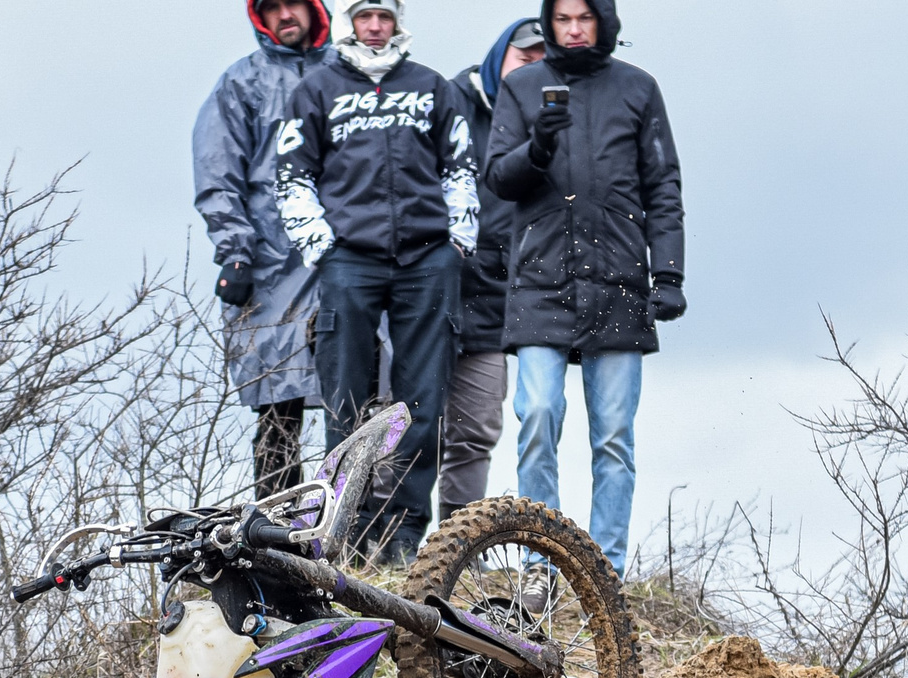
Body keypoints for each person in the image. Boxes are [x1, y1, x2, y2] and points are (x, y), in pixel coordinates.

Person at [276, 0, 477, 560]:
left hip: (427, 259)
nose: (374, 27)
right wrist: (322, 248)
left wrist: (457, 243)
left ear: (397, 22)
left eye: (384, 16)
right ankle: (345, 532)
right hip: (350, 260)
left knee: (422, 402)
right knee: (345, 399)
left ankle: (405, 534)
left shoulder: (432, 87)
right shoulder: (316, 90)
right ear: (350, 21)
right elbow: (291, 176)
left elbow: (461, 168)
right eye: (365, 16)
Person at [487, 0, 683, 572]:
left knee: (614, 438)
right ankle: (539, 567)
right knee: (538, 416)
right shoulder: (522, 87)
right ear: (549, 22)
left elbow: (663, 186)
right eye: (563, 18)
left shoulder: (639, 88)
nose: (573, 29)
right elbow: (498, 178)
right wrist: (537, 147)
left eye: (585, 17)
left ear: (604, 20)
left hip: (620, 281)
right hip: (540, 279)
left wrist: (669, 273)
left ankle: (606, 573)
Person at [195, 0, 337, 497]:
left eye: (293, 2)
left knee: (361, 401)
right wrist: (235, 251)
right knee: (278, 407)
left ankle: (361, 527)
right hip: (271, 265)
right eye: (272, 6)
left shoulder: (348, 74)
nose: (284, 14)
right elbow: (217, 173)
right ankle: (277, 525)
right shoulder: (242, 82)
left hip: (346, 255)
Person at [438, 18, 541, 516]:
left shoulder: (546, 125)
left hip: (491, 306)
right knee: (401, 429)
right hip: (425, 298)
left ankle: (454, 547)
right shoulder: (446, 101)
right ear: (501, 55)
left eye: (542, 61)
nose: (531, 69)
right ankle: (388, 546)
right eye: (524, 57)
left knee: (475, 432)